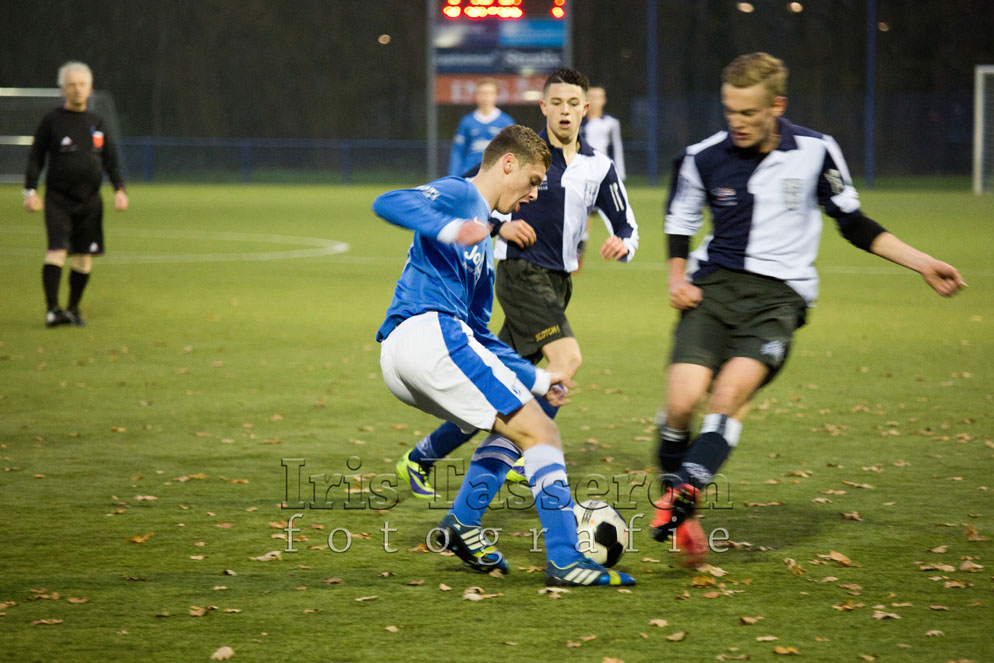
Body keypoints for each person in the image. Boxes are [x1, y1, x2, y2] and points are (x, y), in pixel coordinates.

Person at [651, 52, 966, 565]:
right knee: (682, 404)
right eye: (730, 110)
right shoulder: (701, 156)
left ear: (777, 105)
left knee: (728, 397)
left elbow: (853, 222)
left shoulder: (817, 150)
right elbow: (680, 221)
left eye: (749, 112)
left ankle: (680, 498)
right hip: (714, 291)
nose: (737, 122)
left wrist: (923, 263)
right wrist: (676, 279)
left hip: (779, 299)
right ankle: (683, 502)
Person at [375, 124, 634, 587]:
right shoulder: (462, 194)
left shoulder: (485, 249)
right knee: (543, 432)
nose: (534, 194)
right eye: (532, 181)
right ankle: (565, 559)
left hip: (414, 353)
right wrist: (453, 228)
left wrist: (539, 380)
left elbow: (481, 337)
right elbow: (391, 201)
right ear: (508, 163)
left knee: (519, 426)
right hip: (426, 334)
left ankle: (462, 524)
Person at [395, 68, 638, 499]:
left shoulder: (599, 167)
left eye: (573, 103)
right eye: (556, 103)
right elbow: (471, 192)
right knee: (567, 359)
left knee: (499, 383)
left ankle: (421, 457)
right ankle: (525, 452)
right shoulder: (520, 156)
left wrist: (623, 243)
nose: (565, 111)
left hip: (558, 284)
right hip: (520, 273)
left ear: (586, 109)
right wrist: (498, 227)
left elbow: (627, 226)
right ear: (543, 106)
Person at [24, 61, 128, 327]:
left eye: (82, 84)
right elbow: (36, 158)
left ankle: (72, 309)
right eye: (71, 85)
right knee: (57, 250)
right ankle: (52, 310)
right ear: (63, 89)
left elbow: (111, 161)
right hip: (58, 198)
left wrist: (119, 189)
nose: (77, 89)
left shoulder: (97, 123)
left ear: (89, 88)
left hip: (90, 201)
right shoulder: (52, 121)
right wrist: (30, 191)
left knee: (83, 257)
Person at [577, 84, 626, 269]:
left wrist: (619, 173)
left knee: (611, 210)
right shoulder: (579, 122)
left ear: (604, 100)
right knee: (583, 211)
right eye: (591, 97)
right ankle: (579, 246)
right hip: (581, 173)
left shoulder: (611, 123)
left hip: (603, 174)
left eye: (598, 97)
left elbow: (616, 147)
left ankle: (621, 242)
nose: (595, 100)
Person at [448, 78, 515, 177]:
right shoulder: (466, 121)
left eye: (489, 93)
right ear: (476, 95)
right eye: (482, 93)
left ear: (496, 96)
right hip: (470, 176)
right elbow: (458, 152)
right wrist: (453, 176)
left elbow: (513, 151)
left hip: (496, 176)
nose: (485, 97)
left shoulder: (506, 121)